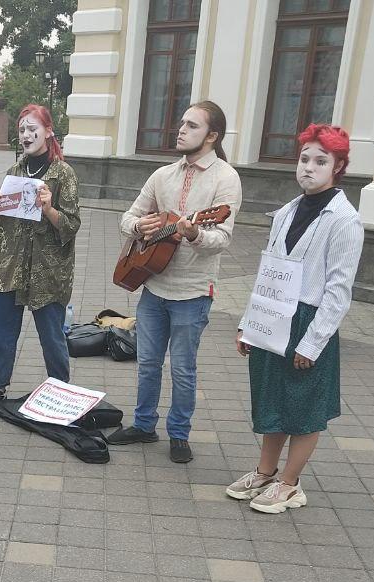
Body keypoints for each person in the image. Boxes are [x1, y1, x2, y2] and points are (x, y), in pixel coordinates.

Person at [227, 124, 363, 513]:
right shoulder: (287, 211)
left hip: (308, 318)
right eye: (304, 159)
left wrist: (313, 342)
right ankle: (265, 471)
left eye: (321, 161)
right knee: (272, 398)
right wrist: (249, 323)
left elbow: (338, 290)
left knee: (303, 407)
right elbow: (268, 271)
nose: (309, 168)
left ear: (338, 167)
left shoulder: (344, 221)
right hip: (275, 313)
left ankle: (290, 483)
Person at [108, 101, 242, 464]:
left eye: (191, 125)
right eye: (181, 123)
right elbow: (129, 217)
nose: (180, 130)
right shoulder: (162, 175)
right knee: (148, 362)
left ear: (212, 136)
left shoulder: (226, 179)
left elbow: (222, 238)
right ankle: (143, 425)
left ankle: (179, 433)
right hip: (153, 287)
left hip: (192, 293)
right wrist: (139, 227)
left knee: (183, 368)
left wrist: (196, 234)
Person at [0, 104, 80, 415]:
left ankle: (60, 392)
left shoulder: (63, 173)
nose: (25, 135)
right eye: (22, 130)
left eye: (32, 129)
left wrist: (49, 209)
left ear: (48, 132)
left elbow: (72, 224)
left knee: (51, 336)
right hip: (10, 268)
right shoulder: (14, 173)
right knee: (2, 334)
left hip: (47, 272)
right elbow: (4, 229)